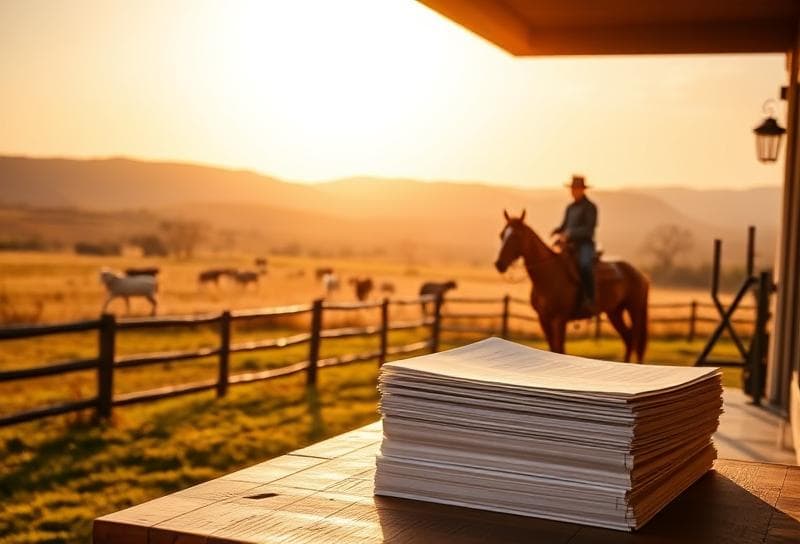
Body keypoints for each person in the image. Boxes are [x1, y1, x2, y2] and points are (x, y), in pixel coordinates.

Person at [551, 175, 598, 313]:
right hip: (569, 245)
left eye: (576, 189)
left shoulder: (590, 207)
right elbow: (565, 225)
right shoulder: (570, 207)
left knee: (584, 266)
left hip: (585, 245)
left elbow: (589, 230)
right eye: (572, 189)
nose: (573, 191)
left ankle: (590, 298)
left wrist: (570, 233)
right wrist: (558, 231)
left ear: (583, 190)